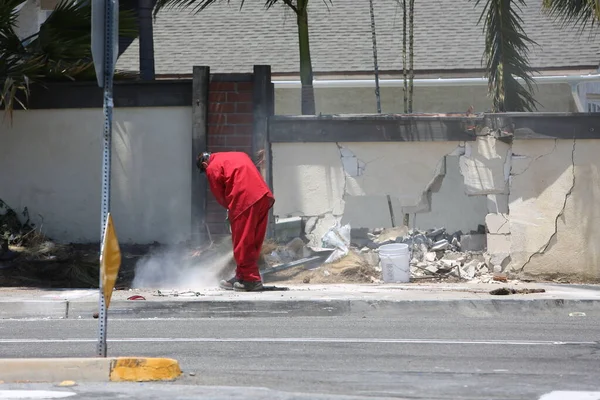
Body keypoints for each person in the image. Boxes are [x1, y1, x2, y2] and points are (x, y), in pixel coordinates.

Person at [196, 151, 274, 292]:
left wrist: (230, 210)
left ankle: (251, 280)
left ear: (203, 164)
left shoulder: (212, 166)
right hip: (263, 197)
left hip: (245, 200)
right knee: (253, 242)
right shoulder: (236, 155)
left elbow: (220, 195)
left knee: (242, 242)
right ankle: (242, 276)